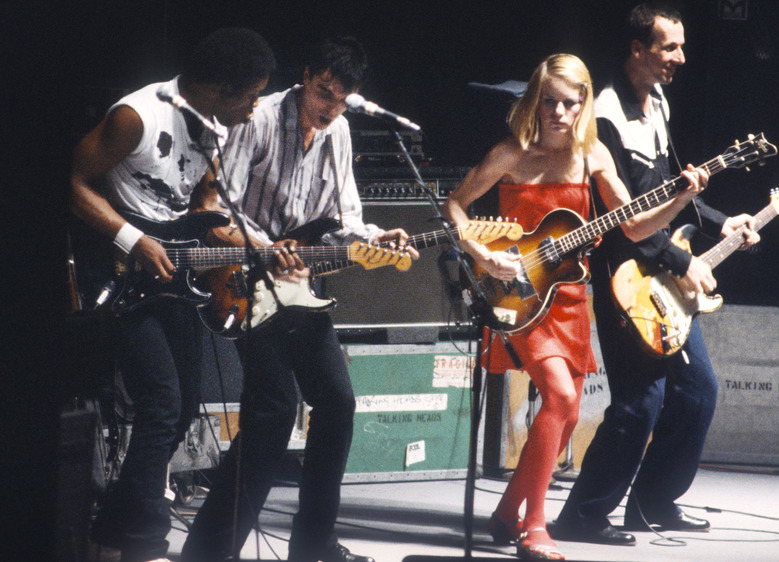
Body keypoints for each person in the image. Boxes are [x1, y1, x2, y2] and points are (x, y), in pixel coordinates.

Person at [444, 53, 704, 560]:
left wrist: (678, 199)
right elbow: (456, 205)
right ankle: (533, 527)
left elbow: (633, 226)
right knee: (561, 398)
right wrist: (481, 251)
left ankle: (505, 514)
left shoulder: (594, 156)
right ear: (535, 101)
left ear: (583, 104)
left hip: (567, 297)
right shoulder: (511, 153)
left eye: (570, 103)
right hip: (516, 293)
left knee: (563, 416)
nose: (559, 113)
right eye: (549, 102)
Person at [181, 37, 416, 562]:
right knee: (273, 410)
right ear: (306, 76)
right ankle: (208, 552)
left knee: (337, 402)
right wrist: (265, 249)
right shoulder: (260, 118)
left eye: (340, 99)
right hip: (239, 277)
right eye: (323, 92)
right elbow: (214, 211)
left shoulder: (340, 133)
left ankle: (314, 547)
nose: (329, 107)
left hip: (296, 285)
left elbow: (344, 220)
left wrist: (375, 240)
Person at [553, 2, 760, 546]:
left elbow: (671, 188)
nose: (680, 58)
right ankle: (581, 516)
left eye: (681, 46)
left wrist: (719, 221)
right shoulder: (603, 116)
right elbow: (621, 222)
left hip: (664, 277)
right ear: (637, 50)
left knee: (697, 394)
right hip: (625, 278)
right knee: (639, 402)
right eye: (670, 47)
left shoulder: (658, 102)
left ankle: (651, 504)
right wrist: (682, 261)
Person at [69, 28, 276, 562]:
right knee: (161, 403)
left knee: (182, 407)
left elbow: (201, 202)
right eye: (250, 97)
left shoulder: (215, 126)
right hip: (118, 271)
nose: (254, 109)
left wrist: (252, 244)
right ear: (220, 90)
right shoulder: (136, 116)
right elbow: (70, 181)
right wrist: (133, 240)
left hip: (174, 275)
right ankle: (145, 544)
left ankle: (108, 536)